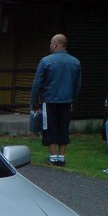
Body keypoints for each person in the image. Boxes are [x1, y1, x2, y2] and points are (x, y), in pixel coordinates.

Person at [30, 34, 82, 167]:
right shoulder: (75, 62)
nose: (50, 45)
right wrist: (74, 101)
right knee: (64, 127)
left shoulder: (46, 61)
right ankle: (61, 157)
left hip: (50, 100)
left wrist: (34, 102)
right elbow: (77, 85)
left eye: (51, 43)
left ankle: (53, 158)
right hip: (67, 100)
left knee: (50, 127)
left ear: (55, 45)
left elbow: (37, 83)